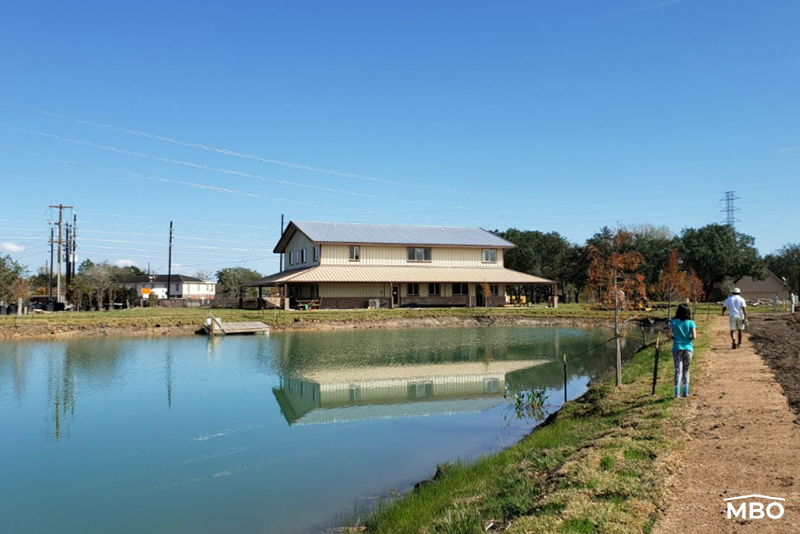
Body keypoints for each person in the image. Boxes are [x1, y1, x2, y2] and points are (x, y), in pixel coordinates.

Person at [668, 303, 696, 398]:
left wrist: (674, 338)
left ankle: (677, 393)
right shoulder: (691, 323)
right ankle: (685, 392)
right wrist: (688, 339)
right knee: (686, 370)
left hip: (677, 348)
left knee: (678, 370)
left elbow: (668, 334)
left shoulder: (673, 322)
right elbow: (694, 336)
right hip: (688, 348)